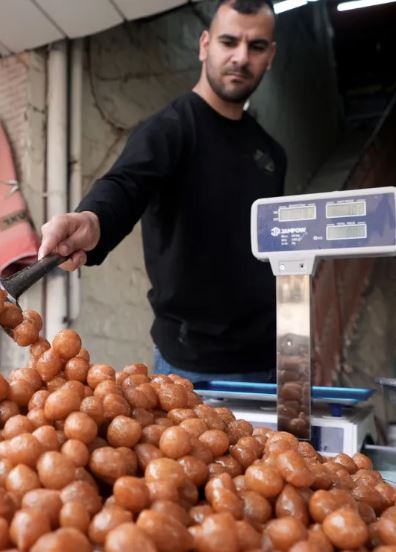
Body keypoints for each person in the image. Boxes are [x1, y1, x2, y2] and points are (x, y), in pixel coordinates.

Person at [38, 0, 285, 383]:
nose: (240, 57)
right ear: (204, 45)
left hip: (265, 361)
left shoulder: (271, 154)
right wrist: (92, 218)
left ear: (269, 55)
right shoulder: (171, 127)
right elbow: (127, 182)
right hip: (188, 365)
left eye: (255, 46)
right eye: (228, 41)